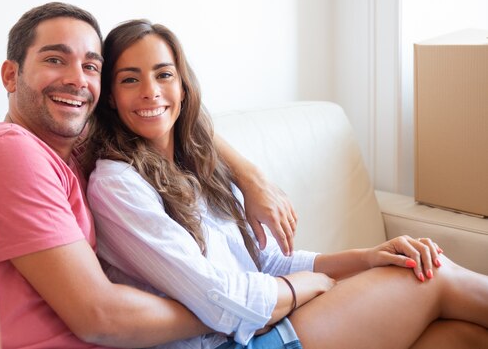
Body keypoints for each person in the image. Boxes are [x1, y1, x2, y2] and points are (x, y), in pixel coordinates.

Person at [85, 19, 488, 349]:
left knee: (461, 336)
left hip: (270, 322)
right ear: (111, 98)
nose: (151, 91)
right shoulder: (117, 184)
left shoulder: (201, 166)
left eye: (163, 74)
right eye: (130, 80)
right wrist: (303, 288)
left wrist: (368, 257)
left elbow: (268, 262)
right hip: (233, 342)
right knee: (431, 275)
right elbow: (220, 302)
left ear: (184, 86)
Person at [0, 2, 302, 348]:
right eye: (55, 60)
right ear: (11, 76)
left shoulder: (72, 145)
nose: (77, 80)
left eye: (91, 66)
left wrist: (250, 177)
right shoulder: (12, 149)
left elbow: (176, 121)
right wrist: (229, 308)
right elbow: (99, 317)